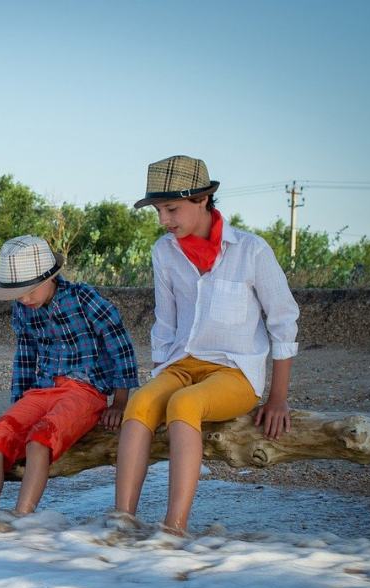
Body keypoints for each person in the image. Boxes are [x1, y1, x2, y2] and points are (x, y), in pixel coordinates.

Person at [114, 155, 300, 534]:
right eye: (158, 210)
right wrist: (158, 378)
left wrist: (278, 398)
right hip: (181, 365)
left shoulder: (251, 251)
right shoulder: (164, 252)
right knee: (142, 401)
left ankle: (173, 529)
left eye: (171, 209)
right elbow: (165, 323)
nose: (163, 220)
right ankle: (120, 523)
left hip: (235, 373)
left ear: (202, 200)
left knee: (185, 403)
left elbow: (283, 322)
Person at [0, 235, 139, 515]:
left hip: (85, 391)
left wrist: (121, 403)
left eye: (30, 290)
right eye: (18, 293)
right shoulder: (23, 310)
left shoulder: (83, 297)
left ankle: (21, 518)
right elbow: (25, 357)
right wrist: (18, 404)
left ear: (50, 277)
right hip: (42, 390)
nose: (24, 299)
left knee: (40, 436)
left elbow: (119, 344)